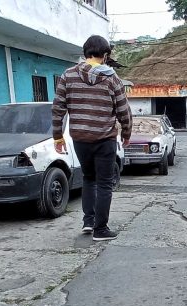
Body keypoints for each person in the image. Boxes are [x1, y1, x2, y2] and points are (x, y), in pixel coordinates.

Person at [52, 35, 132, 241]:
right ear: (105, 56)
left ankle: (89, 222)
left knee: (89, 178)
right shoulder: (112, 78)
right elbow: (123, 110)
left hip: (80, 139)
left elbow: (58, 108)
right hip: (104, 138)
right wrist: (126, 133)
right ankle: (101, 229)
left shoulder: (67, 75)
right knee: (105, 183)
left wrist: (58, 137)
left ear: (85, 54)